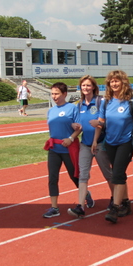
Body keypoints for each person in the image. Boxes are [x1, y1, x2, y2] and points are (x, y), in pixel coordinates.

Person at [93, 70, 133, 223]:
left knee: (117, 174)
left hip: (125, 143)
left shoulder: (131, 102)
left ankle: (115, 207)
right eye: (112, 81)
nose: (114, 84)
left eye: (117, 81)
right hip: (110, 143)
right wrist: (95, 139)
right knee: (118, 173)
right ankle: (126, 203)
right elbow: (101, 122)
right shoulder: (106, 102)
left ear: (123, 82)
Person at [67, 75, 112, 218]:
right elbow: (78, 125)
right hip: (85, 144)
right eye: (83, 85)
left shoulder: (100, 102)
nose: (85, 88)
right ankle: (80, 206)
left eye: (88, 85)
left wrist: (96, 136)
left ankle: (115, 199)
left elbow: (107, 121)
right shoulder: (79, 105)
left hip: (100, 143)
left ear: (93, 87)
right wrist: (74, 126)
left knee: (107, 173)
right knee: (83, 175)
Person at [42, 82, 82, 218]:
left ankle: (85, 194)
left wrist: (70, 138)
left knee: (74, 176)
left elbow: (79, 128)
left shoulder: (72, 108)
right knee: (52, 177)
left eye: (57, 94)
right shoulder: (51, 111)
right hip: (54, 149)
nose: (54, 96)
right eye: (52, 94)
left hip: (68, 149)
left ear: (65, 94)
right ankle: (54, 207)